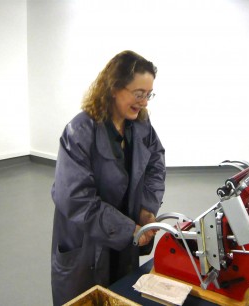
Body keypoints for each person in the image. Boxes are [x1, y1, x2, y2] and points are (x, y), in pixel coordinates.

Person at [50, 50, 166, 305]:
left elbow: (156, 164)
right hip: (86, 247)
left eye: (148, 95)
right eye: (139, 94)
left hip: (123, 242)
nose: (144, 102)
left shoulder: (141, 126)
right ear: (114, 87)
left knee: (119, 295)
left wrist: (148, 208)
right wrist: (128, 229)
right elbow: (75, 199)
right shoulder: (79, 131)